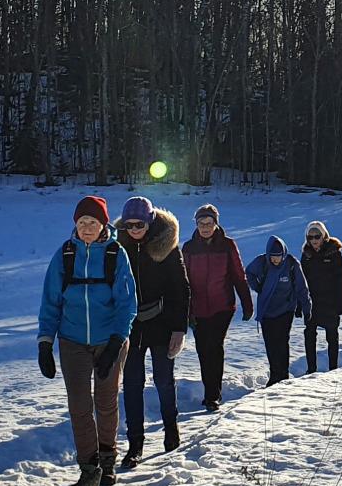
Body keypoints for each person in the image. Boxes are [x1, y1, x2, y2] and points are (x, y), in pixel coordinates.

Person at [37, 196, 138, 486]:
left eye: (92, 223)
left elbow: (127, 304)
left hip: (110, 340)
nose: (86, 228)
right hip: (72, 342)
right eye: (81, 223)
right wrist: (45, 343)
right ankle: (89, 468)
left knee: (105, 402)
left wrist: (117, 342)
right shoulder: (65, 255)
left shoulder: (115, 255)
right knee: (79, 405)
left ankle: (107, 460)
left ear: (103, 224)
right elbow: (50, 302)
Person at [113, 197, 189, 469]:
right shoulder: (117, 247)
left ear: (150, 221)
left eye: (140, 224)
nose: (134, 229)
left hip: (162, 322)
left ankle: (171, 428)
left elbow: (181, 289)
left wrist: (179, 329)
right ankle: (135, 445)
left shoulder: (166, 245)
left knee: (163, 379)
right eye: (129, 224)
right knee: (132, 384)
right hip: (131, 326)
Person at [183, 203, 253, 411]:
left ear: (216, 224)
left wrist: (247, 303)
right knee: (203, 350)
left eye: (209, 223)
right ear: (196, 224)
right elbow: (183, 281)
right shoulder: (189, 247)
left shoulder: (227, 245)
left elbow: (238, 275)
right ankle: (209, 391)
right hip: (197, 309)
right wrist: (185, 310)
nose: (205, 227)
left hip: (222, 306)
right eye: (201, 223)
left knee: (215, 346)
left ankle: (214, 395)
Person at [246, 235, 311, 386]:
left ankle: (283, 374)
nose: (276, 260)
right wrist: (258, 286)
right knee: (270, 343)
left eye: (279, 256)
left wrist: (307, 309)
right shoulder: (261, 262)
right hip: (267, 310)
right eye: (273, 257)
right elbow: (248, 272)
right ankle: (275, 374)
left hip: (286, 309)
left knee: (282, 341)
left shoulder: (291, 264)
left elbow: (302, 288)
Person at [298, 221, 342, 372]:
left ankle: (333, 369)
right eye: (310, 236)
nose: (314, 240)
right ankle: (311, 369)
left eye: (317, 236)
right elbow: (301, 281)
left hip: (330, 302)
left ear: (324, 236)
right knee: (309, 334)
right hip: (312, 302)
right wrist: (300, 304)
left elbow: (341, 280)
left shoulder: (333, 253)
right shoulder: (306, 255)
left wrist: (340, 303)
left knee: (332, 336)